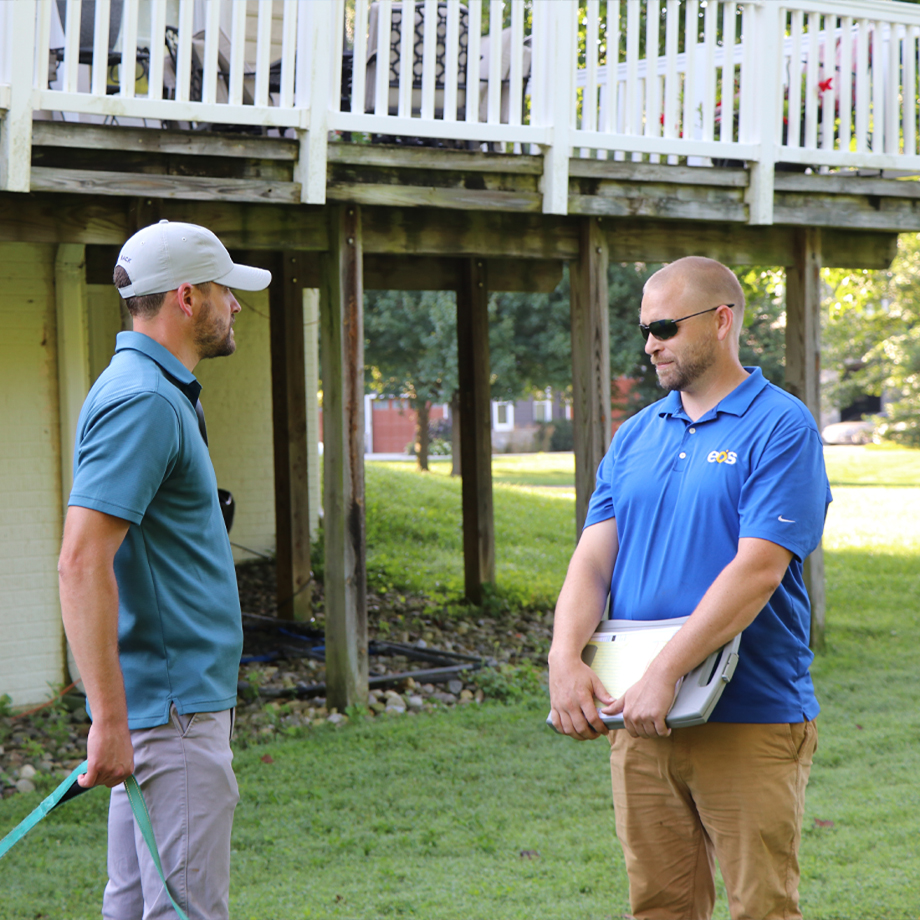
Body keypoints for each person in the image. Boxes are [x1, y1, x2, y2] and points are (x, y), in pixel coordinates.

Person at [548, 256, 831, 920]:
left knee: (762, 908)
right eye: (646, 329)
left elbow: (758, 569)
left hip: (750, 716)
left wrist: (667, 671)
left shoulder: (780, 427)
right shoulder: (636, 435)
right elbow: (591, 561)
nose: (651, 344)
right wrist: (564, 658)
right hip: (637, 717)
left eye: (666, 327)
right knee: (659, 906)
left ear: (721, 321)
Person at [58, 220, 271, 920]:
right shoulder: (145, 401)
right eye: (225, 290)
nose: (236, 304)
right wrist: (109, 721)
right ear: (186, 297)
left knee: (132, 910)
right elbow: (83, 561)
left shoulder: (148, 389)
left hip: (164, 710)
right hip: (172, 714)